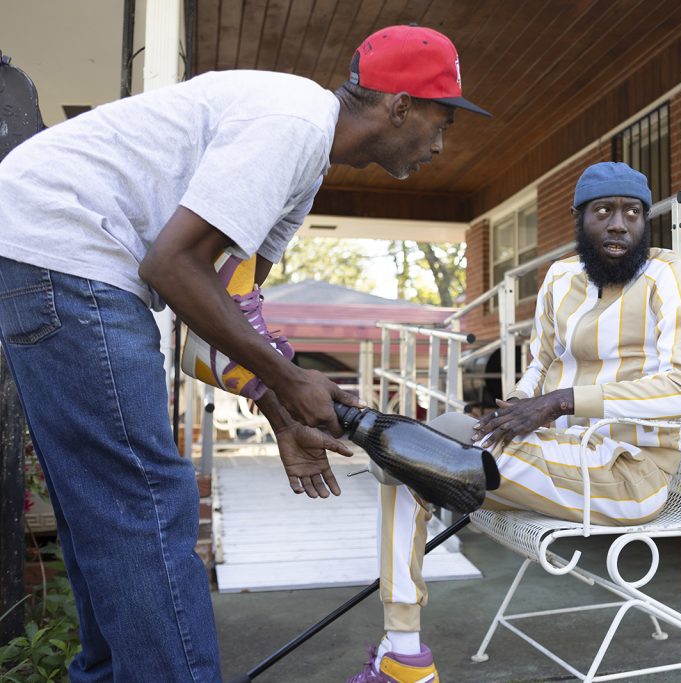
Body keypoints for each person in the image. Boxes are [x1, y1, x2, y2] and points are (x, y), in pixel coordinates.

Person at [0, 24, 489, 682]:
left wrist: (281, 407)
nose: (440, 144)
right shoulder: (293, 123)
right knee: (145, 502)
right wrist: (288, 379)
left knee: (105, 506)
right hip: (69, 248)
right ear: (400, 105)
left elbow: (229, 305)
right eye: (441, 122)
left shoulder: (303, 164)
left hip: (36, 249)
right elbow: (173, 267)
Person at [348, 162, 681, 683]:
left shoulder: (667, 275)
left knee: (415, 456)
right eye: (603, 211)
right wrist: (516, 407)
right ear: (579, 218)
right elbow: (539, 364)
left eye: (632, 212)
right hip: (554, 455)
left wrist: (562, 401)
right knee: (423, 451)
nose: (618, 224)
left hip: (629, 474)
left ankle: (381, 447)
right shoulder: (560, 277)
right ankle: (403, 651)